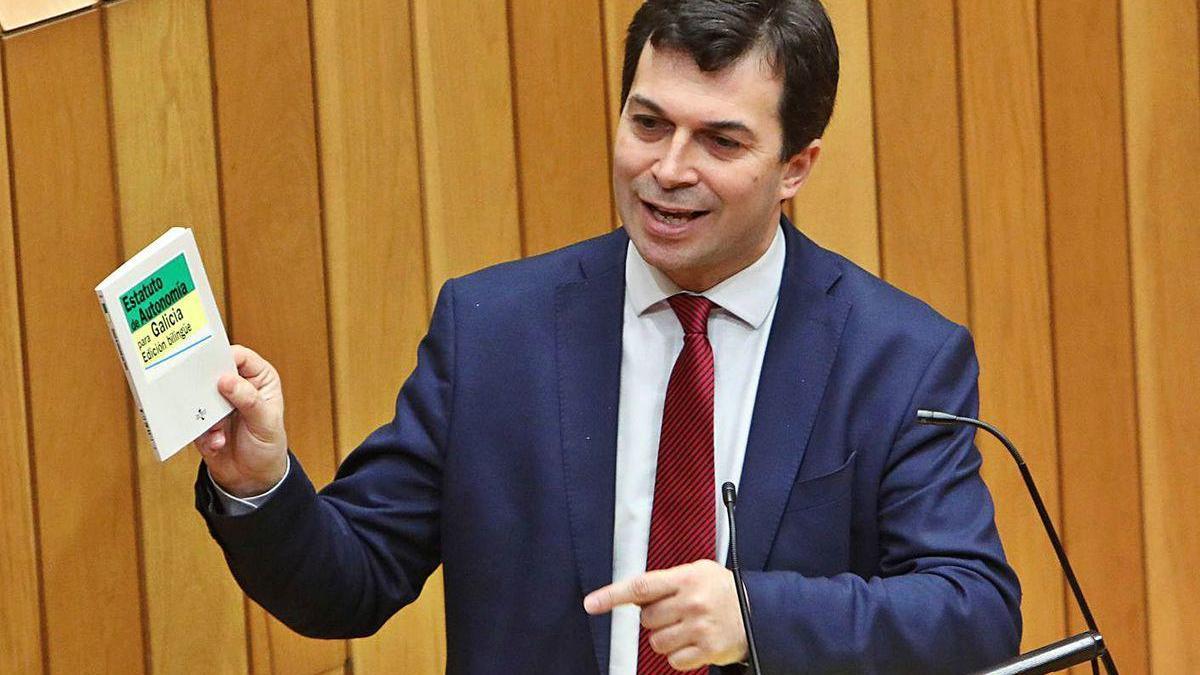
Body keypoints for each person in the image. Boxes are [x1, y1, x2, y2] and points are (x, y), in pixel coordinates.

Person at [193, 1, 1021, 673]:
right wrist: (261, 483)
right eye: (649, 124)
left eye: (721, 140)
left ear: (796, 167)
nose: (668, 169)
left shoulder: (897, 355)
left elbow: (974, 610)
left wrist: (757, 614)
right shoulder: (493, 331)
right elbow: (350, 581)